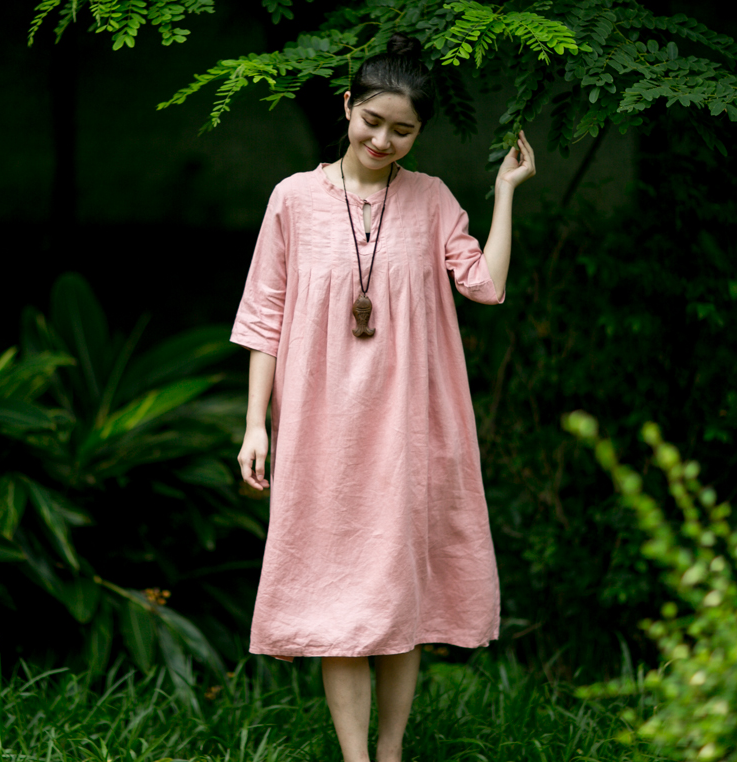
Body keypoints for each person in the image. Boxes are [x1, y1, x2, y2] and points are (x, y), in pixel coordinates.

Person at [232, 32, 535, 762]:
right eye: (372, 121)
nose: (382, 140)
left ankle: (391, 752)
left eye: (403, 130)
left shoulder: (431, 200)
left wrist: (504, 193)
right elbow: (263, 316)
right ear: (347, 106)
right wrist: (255, 426)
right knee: (339, 598)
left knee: (400, 596)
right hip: (320, 431)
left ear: (419, 133)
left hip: (409, 430)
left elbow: (485, 286)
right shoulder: (293, 199)